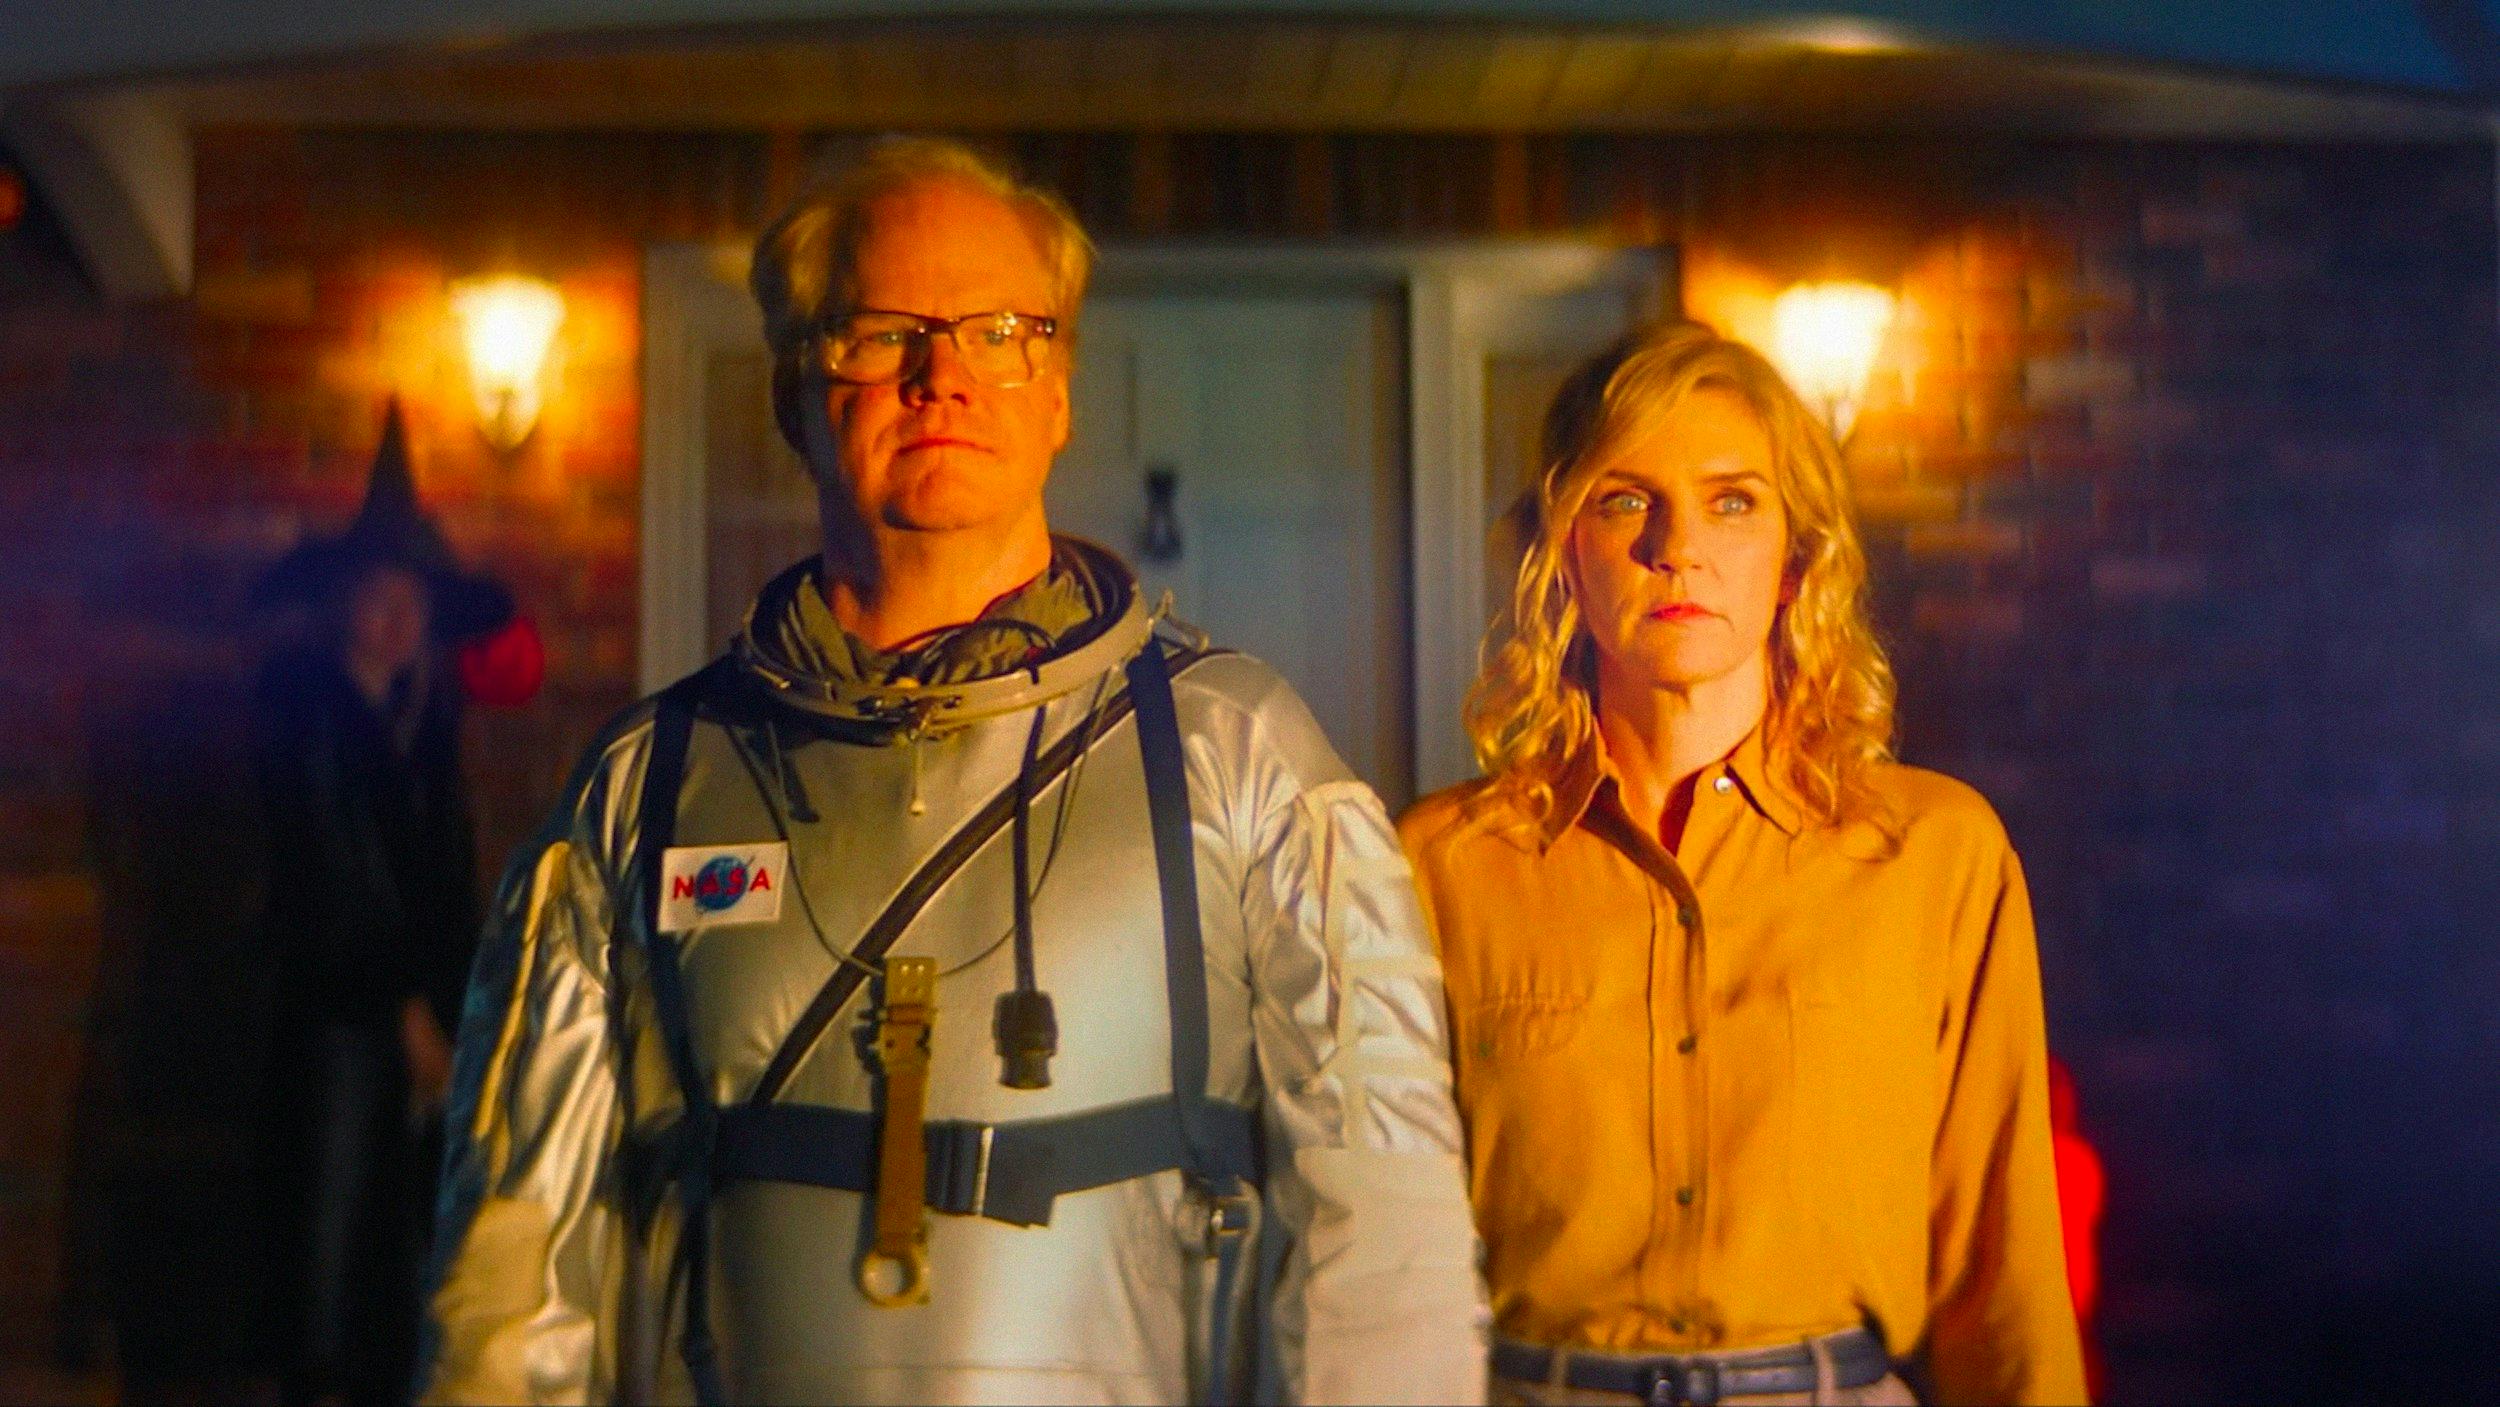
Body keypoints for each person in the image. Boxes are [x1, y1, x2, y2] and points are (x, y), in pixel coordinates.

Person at [416, 137, 1486, 1406]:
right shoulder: (645, 790)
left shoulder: (1240, 755)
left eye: (1001, 332)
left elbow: (1387, 1235)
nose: (945, 377)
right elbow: (513, 1272)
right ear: (796, 395)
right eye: (881, 334)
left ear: (1059, 394)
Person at [1398, 322, 2088, 1406]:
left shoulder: (1932, 853)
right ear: (1562, 553)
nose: (1678, 547)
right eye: (1625, 500)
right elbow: (1377, 1255)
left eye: (1731, 502)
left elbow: (2004, 1274)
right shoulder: (1441, 864)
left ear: (1795, 558)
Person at [250, 404, 513, 1406]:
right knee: (326, 1246)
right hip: (337, 1021)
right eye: (379, 600)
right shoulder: (304, 711)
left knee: (407, 1252)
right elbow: (332, 878)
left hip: (420, 1017)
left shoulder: (424, 723)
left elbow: (442, 879)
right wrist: (403, 1015)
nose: (399, 621)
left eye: (414, 603)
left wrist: (457, 1007)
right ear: (344, 606)